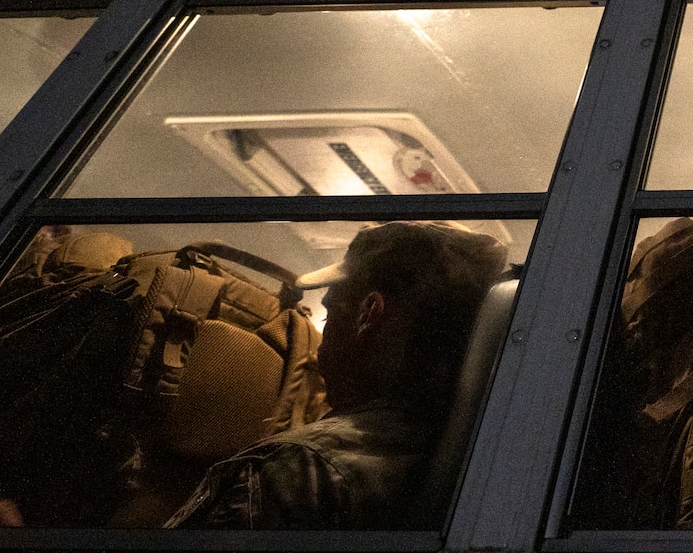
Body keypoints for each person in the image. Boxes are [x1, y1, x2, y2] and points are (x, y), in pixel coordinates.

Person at [165, 221, 507, 530]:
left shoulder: (294, 469)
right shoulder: (482, 456)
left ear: (368, 314)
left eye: (329, 314)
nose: (317, 347)